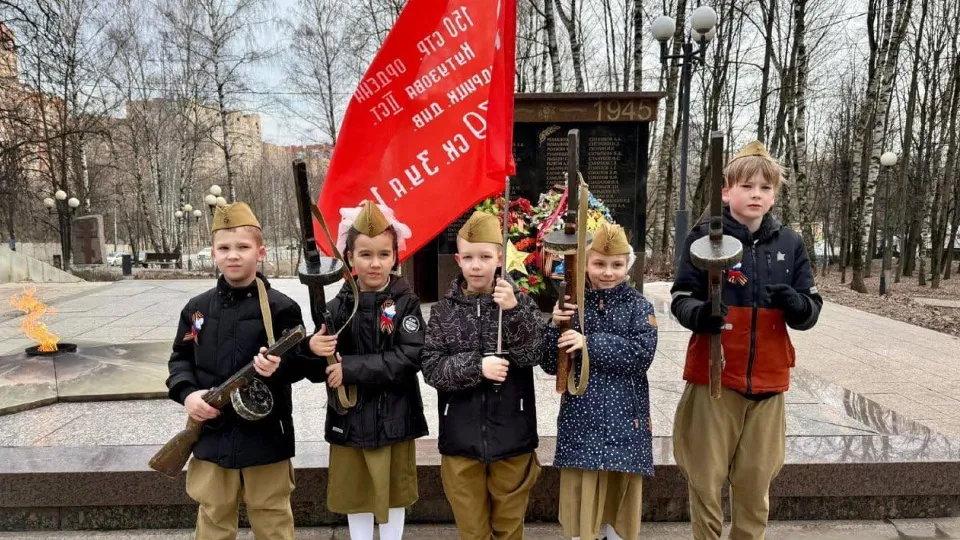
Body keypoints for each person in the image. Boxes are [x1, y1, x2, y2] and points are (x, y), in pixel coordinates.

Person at [670, 141, 823, 540]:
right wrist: (701, 315)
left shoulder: (790, 243)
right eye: (747, 186)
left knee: (756, 483)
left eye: (765, 188)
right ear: (726, 192)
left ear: (774, 195)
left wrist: (796, 304)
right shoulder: (704, 238)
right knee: (705, 479)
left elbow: (811, 308)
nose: (757, 194)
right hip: (715, 378)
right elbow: (681, 298)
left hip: (768, 381)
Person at [165, 201, 307, 540]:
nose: (233, 255)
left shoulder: (281, 308)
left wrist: (278, 366)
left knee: (272, 516)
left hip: (266, 434)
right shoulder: (197, 310)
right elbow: (180, 358)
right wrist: (189, 395)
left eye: (242, 247)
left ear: (260, 252)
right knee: (214, 515)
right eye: (224, 248)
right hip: (212, 431)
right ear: (213, 253)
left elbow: (302, 362)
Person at [306, 200, 428, 540]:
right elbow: (319, 371)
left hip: (394, 416)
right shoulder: (334, 308)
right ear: (349, 257)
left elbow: (410, 356)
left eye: (384, 254)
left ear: (395, 256)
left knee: (393, 495)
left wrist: (352, 369)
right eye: (365, 254)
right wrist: (313, 350)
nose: (375, 263)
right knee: (355, 494)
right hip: (350, 417)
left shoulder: (405, 303)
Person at [421, 210, 544, 540]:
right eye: (470, 258)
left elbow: (535, 353)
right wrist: (477, 367)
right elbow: (432, 368)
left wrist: (514, 312)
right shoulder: (443, 311)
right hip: (461, 439)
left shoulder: (519, 302)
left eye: (485, 257)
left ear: (500, 258)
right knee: (472, 530)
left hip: (512, 435)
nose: (477, 265)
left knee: (508, 527)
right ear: (459, 260)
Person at [542, 222, 659, 540]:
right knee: (582, 509)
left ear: (628, 265)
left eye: (617, 264)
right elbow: (552, 366)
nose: (608, 272)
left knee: (617, 507)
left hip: (625, 425)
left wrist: (589, 343)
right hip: (582, 422)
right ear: (585, 264)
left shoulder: (639, 308)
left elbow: (640, 355)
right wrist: (554, 327)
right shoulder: (572, 306)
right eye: (599, 264)